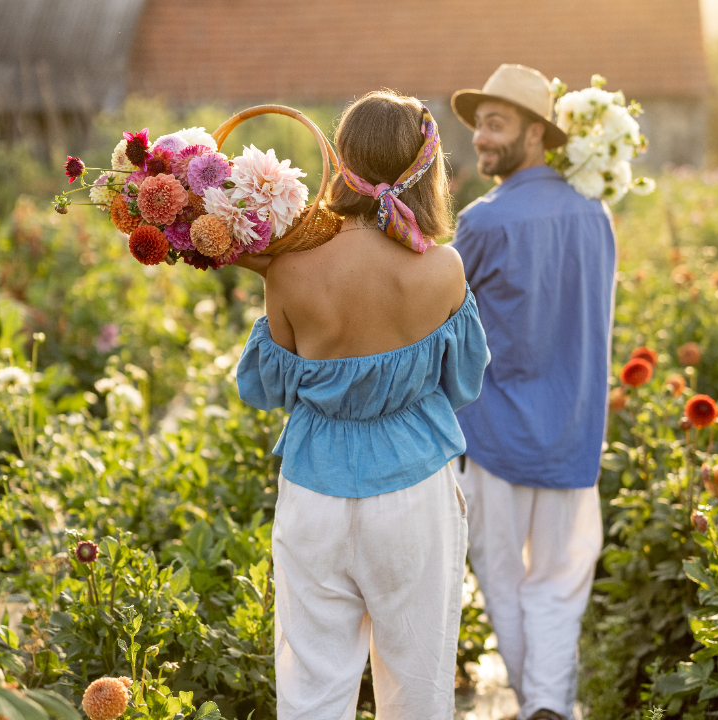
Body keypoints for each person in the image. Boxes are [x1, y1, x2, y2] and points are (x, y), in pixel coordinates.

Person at [235, 90, 490, 720]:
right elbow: (464, 384)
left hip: (315, 492)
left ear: (338, 159)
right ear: (427, 168)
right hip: (414, 490)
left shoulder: (289, 270)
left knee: (312, 680)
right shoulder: (444, 270)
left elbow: (266, 389)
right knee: (419, 679)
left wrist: (266, 269)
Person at [448, 65, 617, 720]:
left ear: (537, 132)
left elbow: (441, 320)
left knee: (502, 578)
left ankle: (538, 704)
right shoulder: (593, 212)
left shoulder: (484, 221)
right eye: (478, 126)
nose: (481, 140)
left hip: (495, 432)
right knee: (560, 582)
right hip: (573, 428)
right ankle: (547, 705)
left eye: (495, 124)